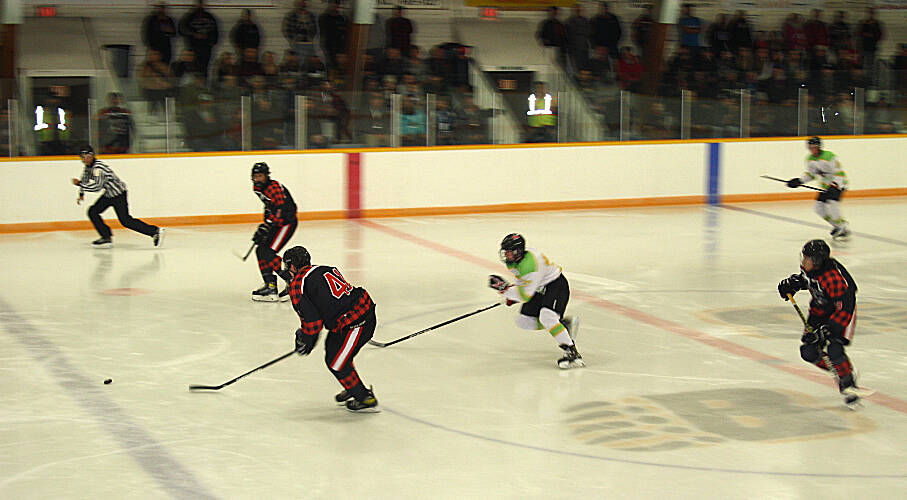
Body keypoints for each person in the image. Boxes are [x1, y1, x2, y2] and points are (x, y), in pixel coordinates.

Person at [282, 245, 380, 412]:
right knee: (333, 351)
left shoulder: (297, 286)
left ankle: (365, 398)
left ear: (292, 266)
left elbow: (313, 325)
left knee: (337, 363)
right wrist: (308, 339)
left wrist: (304, 339)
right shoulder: (322, 269)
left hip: (357, 323)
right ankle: (353, 387)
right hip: (355, 315)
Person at [777, 239, 872, 408]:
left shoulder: (835, 279)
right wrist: (793, 284)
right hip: (819, 311)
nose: (803, 262)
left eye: (808, 259)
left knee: (834, 348)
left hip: (841, 313)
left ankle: (848, 383)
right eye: (803, 257)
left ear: (818, 261)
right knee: (808, 351)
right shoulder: (813, 268)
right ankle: (842, 370)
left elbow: (846, 307)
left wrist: (830, 328)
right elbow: (809, 280)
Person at [488, 233, 583, 369]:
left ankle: (571, 352)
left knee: (547, 317)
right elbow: (523, 284)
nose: (506, 255)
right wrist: (512, 294)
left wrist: (505, 290)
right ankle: (563, 326)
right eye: (505, 252)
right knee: (524, 322)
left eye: (509, 252)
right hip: (539, 288)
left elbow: (525, 295)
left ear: (517, 251)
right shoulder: (515, 262)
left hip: (556, 286)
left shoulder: (530, 264)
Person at [71, 144, 164, 248]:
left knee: (126, 221)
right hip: (109, 194)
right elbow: (85, 179)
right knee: (93, 211)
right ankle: (106, 237)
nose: (86, 159)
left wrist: (79, 184)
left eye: (88, 156)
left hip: (118, 194)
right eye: (83, 157)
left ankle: (154, 231)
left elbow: (97, 187)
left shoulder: (98, 168)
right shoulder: (88, 167)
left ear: (92, 156)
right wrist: (81, 193)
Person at [250, 162, 297, 302]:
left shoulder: (274, 187)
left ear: (266, 176)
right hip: (277, 223)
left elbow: (281, 209)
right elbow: (269, 206)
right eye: (256, 176)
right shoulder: (257, 188)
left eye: (261, 176)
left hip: (286, 224)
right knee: (260, 250)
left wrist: (269, 224)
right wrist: (266, 224)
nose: (258, 179)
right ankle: (270, 285)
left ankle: (291, 280)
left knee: (268, 252)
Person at [786, 137, 850, 239]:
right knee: (819, 208)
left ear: (819, 147)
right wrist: (800, 181)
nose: (812, 149)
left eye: (814, 147)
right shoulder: (810, 159)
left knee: (833, 205)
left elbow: (839, 172)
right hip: (825, 186)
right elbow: (811, 174)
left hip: (838, 184)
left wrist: (835, 184)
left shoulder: (829, 156)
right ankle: (837, 225)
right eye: (810, 147)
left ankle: (842, 227)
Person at [178, 0, 219, 83]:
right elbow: (182, 29)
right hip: (194, 47)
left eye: (202, 5)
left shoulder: (209, 17)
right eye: (199, 5)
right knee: (193, 68)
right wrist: (194, 34)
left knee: (204, 68)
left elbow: (215, 31)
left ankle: (203, 87)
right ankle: (193, 87)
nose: (201, 6)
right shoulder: (190, 17)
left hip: (206, 48)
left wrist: (212, 42)